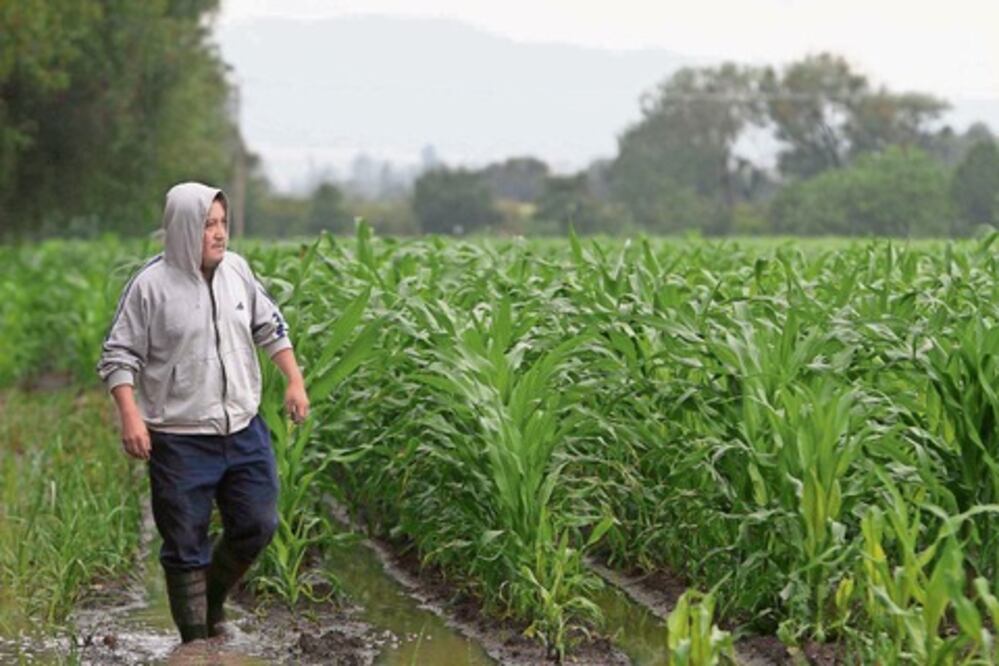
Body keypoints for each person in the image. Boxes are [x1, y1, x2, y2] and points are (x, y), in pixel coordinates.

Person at [97, 182, 310, 642]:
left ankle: (212, 597)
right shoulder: (149, 287)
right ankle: (195, 643)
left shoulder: (238, 271)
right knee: (185, 544)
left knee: (257, 523)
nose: (218, 234)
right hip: (178, 437)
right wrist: (130, 416)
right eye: (207, 225)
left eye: (222, 223)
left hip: (243, 428)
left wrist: (294, 379)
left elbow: (269, 325)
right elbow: (118, 355)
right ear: (181, 230)